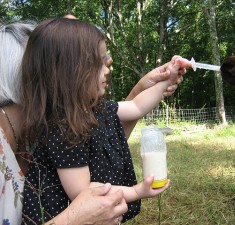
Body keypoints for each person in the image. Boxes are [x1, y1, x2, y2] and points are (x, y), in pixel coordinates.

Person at [0, 22, 186, 225]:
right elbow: (86, 193)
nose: (107, 67)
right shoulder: (63, 130)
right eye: (97, 63)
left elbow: (136, 106)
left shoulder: (93, 108)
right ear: (69, 75)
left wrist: (167, 80)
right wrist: (136, 191)